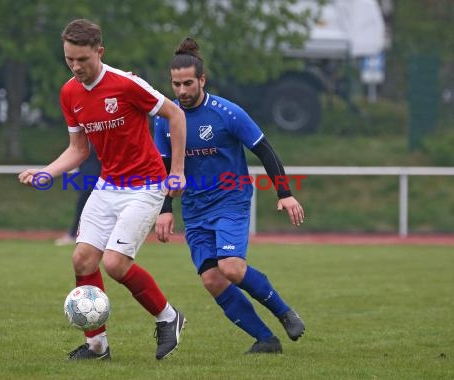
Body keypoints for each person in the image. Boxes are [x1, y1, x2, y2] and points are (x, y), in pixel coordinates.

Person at [18, 19, 188, 361]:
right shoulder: (69, 93)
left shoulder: (126, 84)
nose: (77, 67)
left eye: (83, 59)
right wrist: (47, 173)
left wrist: (178, 171)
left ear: (100, 52)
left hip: (146, 185)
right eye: (70, 60)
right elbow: (79, 150)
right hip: (108, 185)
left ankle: (168, 317)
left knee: (114, 263)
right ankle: (97, 346)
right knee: (82, 258)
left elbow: (175, 115)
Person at [154, 37, 305, 354]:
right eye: (175, 84)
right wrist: (166, 209)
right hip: (194, 210)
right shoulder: (165, 119)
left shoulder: (227, 113)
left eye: (187, 83)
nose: (181, 91)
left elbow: (265, 150)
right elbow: (165, 167)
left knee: (232, 267)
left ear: (202, 80)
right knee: (212, 280)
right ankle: (266, 340)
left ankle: (285, 313)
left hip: (231, 200)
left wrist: (285, 193)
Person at [55, 143, 101, 246]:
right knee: (83, 205)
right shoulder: (85, 139)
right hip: (87, 175)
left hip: (102, 176)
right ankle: (74, 234)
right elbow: (77, 152)